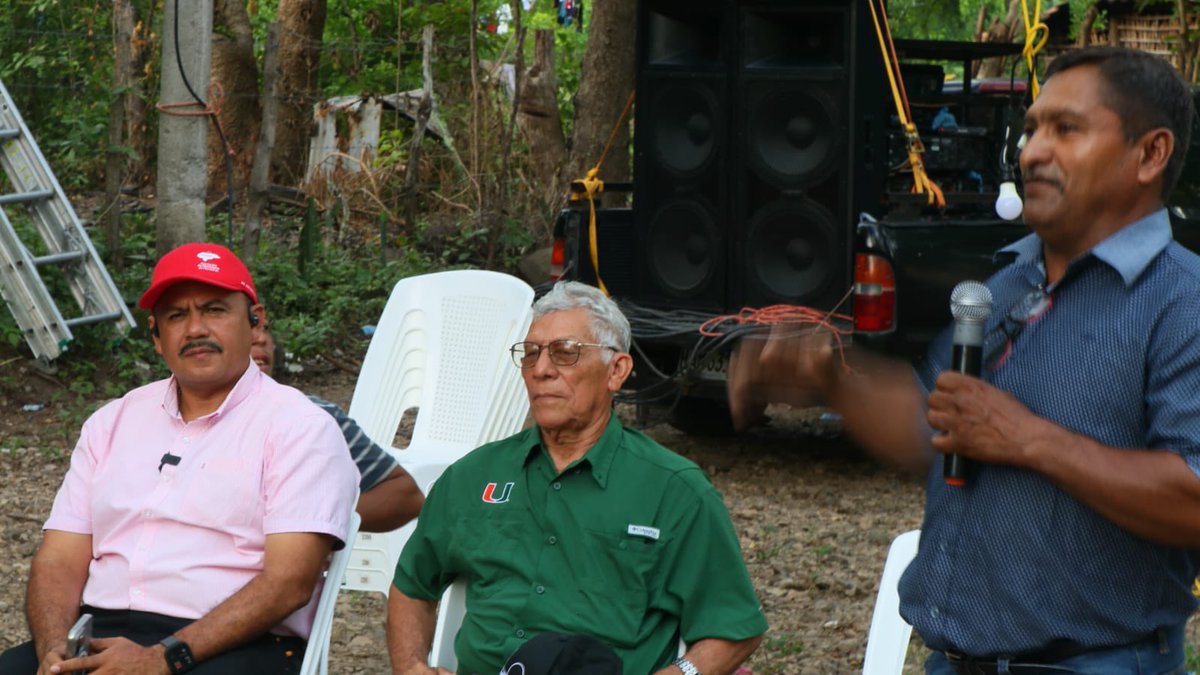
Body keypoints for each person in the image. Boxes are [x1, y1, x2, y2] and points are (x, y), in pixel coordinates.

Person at [728, 46, 1200, 674]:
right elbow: (930, 428)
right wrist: (834, 382)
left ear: (1150, 154)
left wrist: (1026, 438)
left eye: (1066, 129)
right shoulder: (1007, 285)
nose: (1031, 151)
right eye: (1030, 129)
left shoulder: (1182, 301)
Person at [0, 242, 359, 674]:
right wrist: (55, 650)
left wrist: (164, 658)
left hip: (236, 645)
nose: (194, 329)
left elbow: (289, 583)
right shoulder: (112, 422)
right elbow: (59, 559)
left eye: (214, 310)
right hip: (101, 634)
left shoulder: (299, 427)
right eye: (176, 316)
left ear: (255, 321)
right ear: (156, 336)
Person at [386, 281, 766, 675]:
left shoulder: (675, 491)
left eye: (566, 353)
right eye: (531, 353)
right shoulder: (474, 476)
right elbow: (412, 584)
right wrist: (411, 666)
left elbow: (735, 628)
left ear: (616, 371)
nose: (542, 370)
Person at [250, 320, 424, 532]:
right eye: (248, 325)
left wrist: (307, 521)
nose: (261, 338)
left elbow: (404, 498)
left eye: (264, 327)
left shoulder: (310, 417)